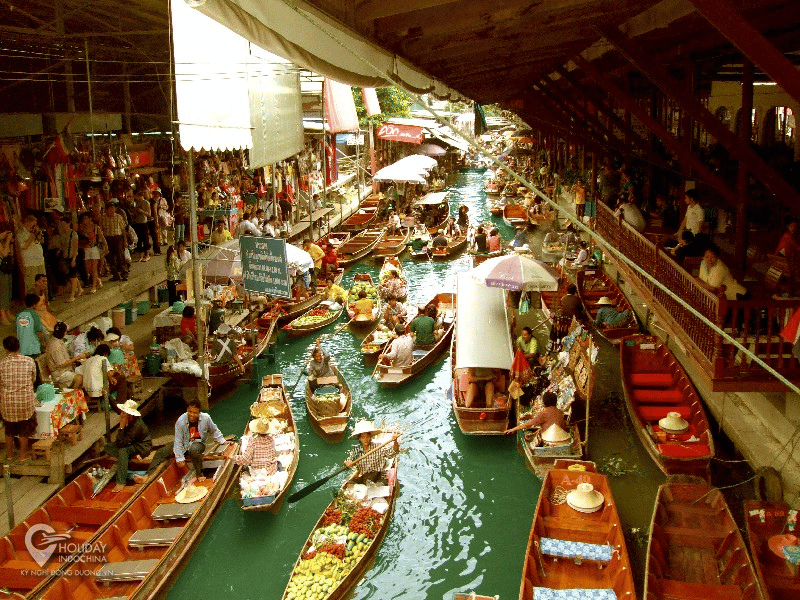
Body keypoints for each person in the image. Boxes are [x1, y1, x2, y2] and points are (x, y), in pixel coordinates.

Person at [159, 399, 226, 479]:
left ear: (199, 412)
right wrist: (179, 457)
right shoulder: (181, 421)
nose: (191, 415)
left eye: (195, 413)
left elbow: (214, 430)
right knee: (162, 452)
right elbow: (178, 440)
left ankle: (199, 474)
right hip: (185, 446)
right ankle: (148, 476)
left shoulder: (206, 418)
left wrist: (222, 441)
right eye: (190, 412)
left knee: (193, 449)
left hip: (198, 444)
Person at [0, 336, 37, 463]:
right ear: (18, 346)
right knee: (24, 429)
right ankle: (23, 456)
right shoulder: (29, 361)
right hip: (24, 400)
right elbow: (33, 379)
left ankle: (9, 455)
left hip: (7, 402)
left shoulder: (2, 364)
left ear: (5, 349)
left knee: (9, 429)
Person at [104, 399, 152, 492]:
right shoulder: (126, 417)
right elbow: (116, 407)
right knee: (108, 447)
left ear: (129, 414)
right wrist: (107, 395)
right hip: (131, 444)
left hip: (141, 446)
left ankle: (121, 482)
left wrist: (121, 427)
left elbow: (121, 443)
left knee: (123, 451)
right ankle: (127, 458)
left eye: (124, 412)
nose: (121, 414)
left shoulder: (136, 425)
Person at [79, 343, 128, 408]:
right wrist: (115, 368)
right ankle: (120, 404)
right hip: (99, 390)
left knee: (120, 379)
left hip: (87, 390)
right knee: (121, 378)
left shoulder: (88, 360)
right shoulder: (103, 358)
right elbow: (109, 373)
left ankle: (129, 398)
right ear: (105, 353)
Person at [46, 321, 85, 388]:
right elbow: (62, 364)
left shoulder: (57, 340)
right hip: (59, 374)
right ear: (63, 332)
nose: (66, 333)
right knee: (80, 378)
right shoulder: (55, 346)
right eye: (66, 331)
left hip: (64, 369)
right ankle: (72, 394)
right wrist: (77, 358)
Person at [99, 201, 129, 281]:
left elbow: (123, 230)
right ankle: (115, 275)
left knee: (120, 256)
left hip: (117, 238)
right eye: (110, 209)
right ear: (107, 210)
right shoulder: (103, 218)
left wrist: (125, 241)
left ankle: (124, 273)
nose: (112, 210)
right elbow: (101, 230)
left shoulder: (118, 217)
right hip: (108, 239)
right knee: (110, 257)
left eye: (113, 209)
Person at [17, 215, 45, 294]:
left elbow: (42, 241)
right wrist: (33, 234)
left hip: (39, 261)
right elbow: (24, 246)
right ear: (27, 223)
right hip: (30, 263)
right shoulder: (21, 233)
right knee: (32, 285)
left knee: (42, 283)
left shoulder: (35, 231)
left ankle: (42, 301)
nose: (34, 227)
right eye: (33, 225)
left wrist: (39, 234)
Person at [78, 212, 106, 293]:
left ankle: (94, 287)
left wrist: (105, 246)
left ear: (90, 219)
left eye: (86, 218)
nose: (84, 220)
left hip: (94, 248)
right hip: (86, 249)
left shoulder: (95, 227)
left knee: (94, 268)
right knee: (88, 268)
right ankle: (97, 279)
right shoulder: (82, 229)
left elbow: (102, 237)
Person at [0, 230, 14, 324]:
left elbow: (9, 252)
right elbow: (4, 253)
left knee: (8, 290)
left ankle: (8, 312)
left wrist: (8, 241)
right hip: (1, 268)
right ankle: (3, 315)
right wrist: (8, 240)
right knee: (3, 291)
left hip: (6, 267)